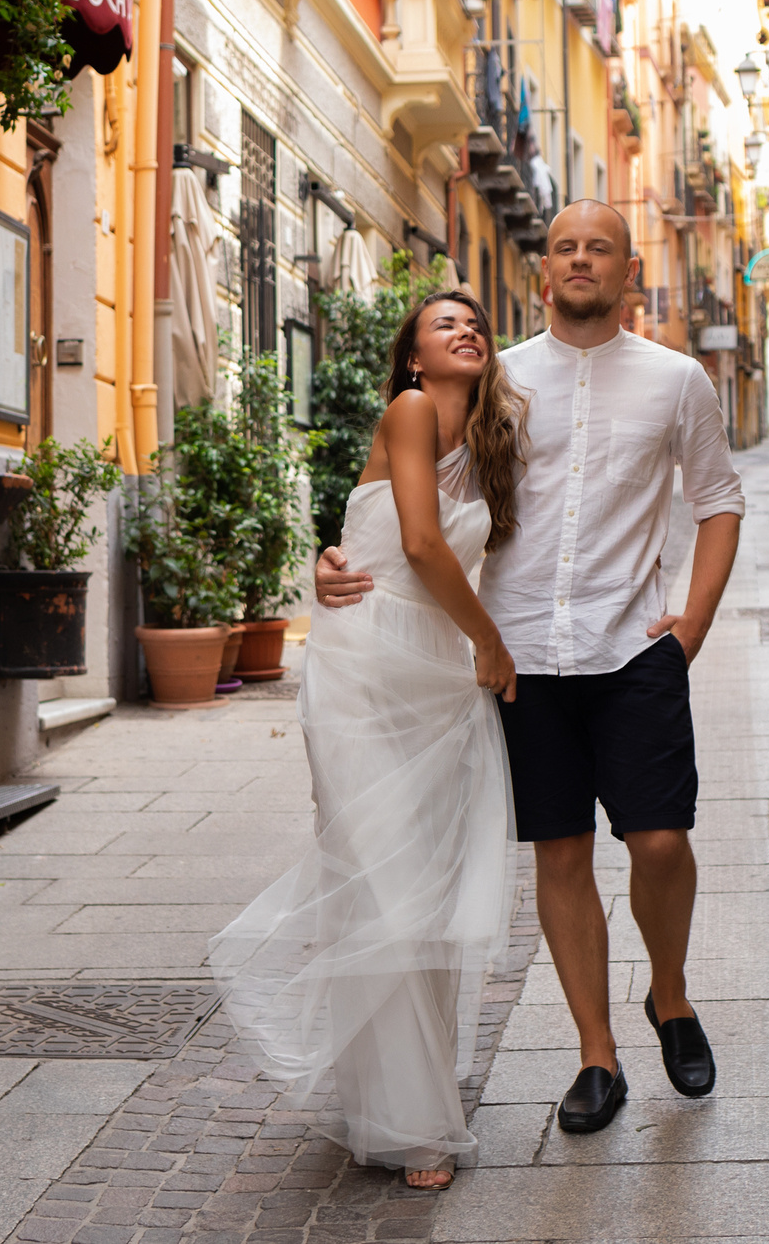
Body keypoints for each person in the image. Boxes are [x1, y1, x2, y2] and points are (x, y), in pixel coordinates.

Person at [315, 200, 744, 1137]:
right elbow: (400, 482)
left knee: (661, 840)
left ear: (631, 269)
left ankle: (667, 993)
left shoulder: (678, 382)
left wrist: (694, 625)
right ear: (543, 271)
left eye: (600, 246)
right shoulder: (494, 376)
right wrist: (338, 558)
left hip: (634, 644)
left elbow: (719, 501)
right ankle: (598, 1052)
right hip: (518, 659)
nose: (580, 258)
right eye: (564, 247)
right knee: (562, 852)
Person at [209, 290, 524, 1190]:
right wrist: (490, 644)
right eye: (443, 323)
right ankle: (413, 1124)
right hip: (371, 668)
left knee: (424, 885)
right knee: (384, 879)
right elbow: (418, 545)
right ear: (414, 359)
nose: (466, 328)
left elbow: (367, 534)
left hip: (437, 673)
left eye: (476, 322)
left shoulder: (491, 440)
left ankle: (394, 1097)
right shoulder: (412, 408)